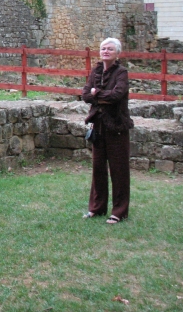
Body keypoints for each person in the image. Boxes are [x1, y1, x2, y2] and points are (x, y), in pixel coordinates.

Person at [82, 37, 134, 224]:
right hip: (99, 126)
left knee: (119, 170)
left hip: (117, 127)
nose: (105, 51)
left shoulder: (121, 73)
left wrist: (98, 95)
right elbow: (86, 95)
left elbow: (117, 95)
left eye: (110, 49)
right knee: (98, 169)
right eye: (103, 48)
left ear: (117, 53)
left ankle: (119, 212)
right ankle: (97, 208)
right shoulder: (95, 71)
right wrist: (96, 96)